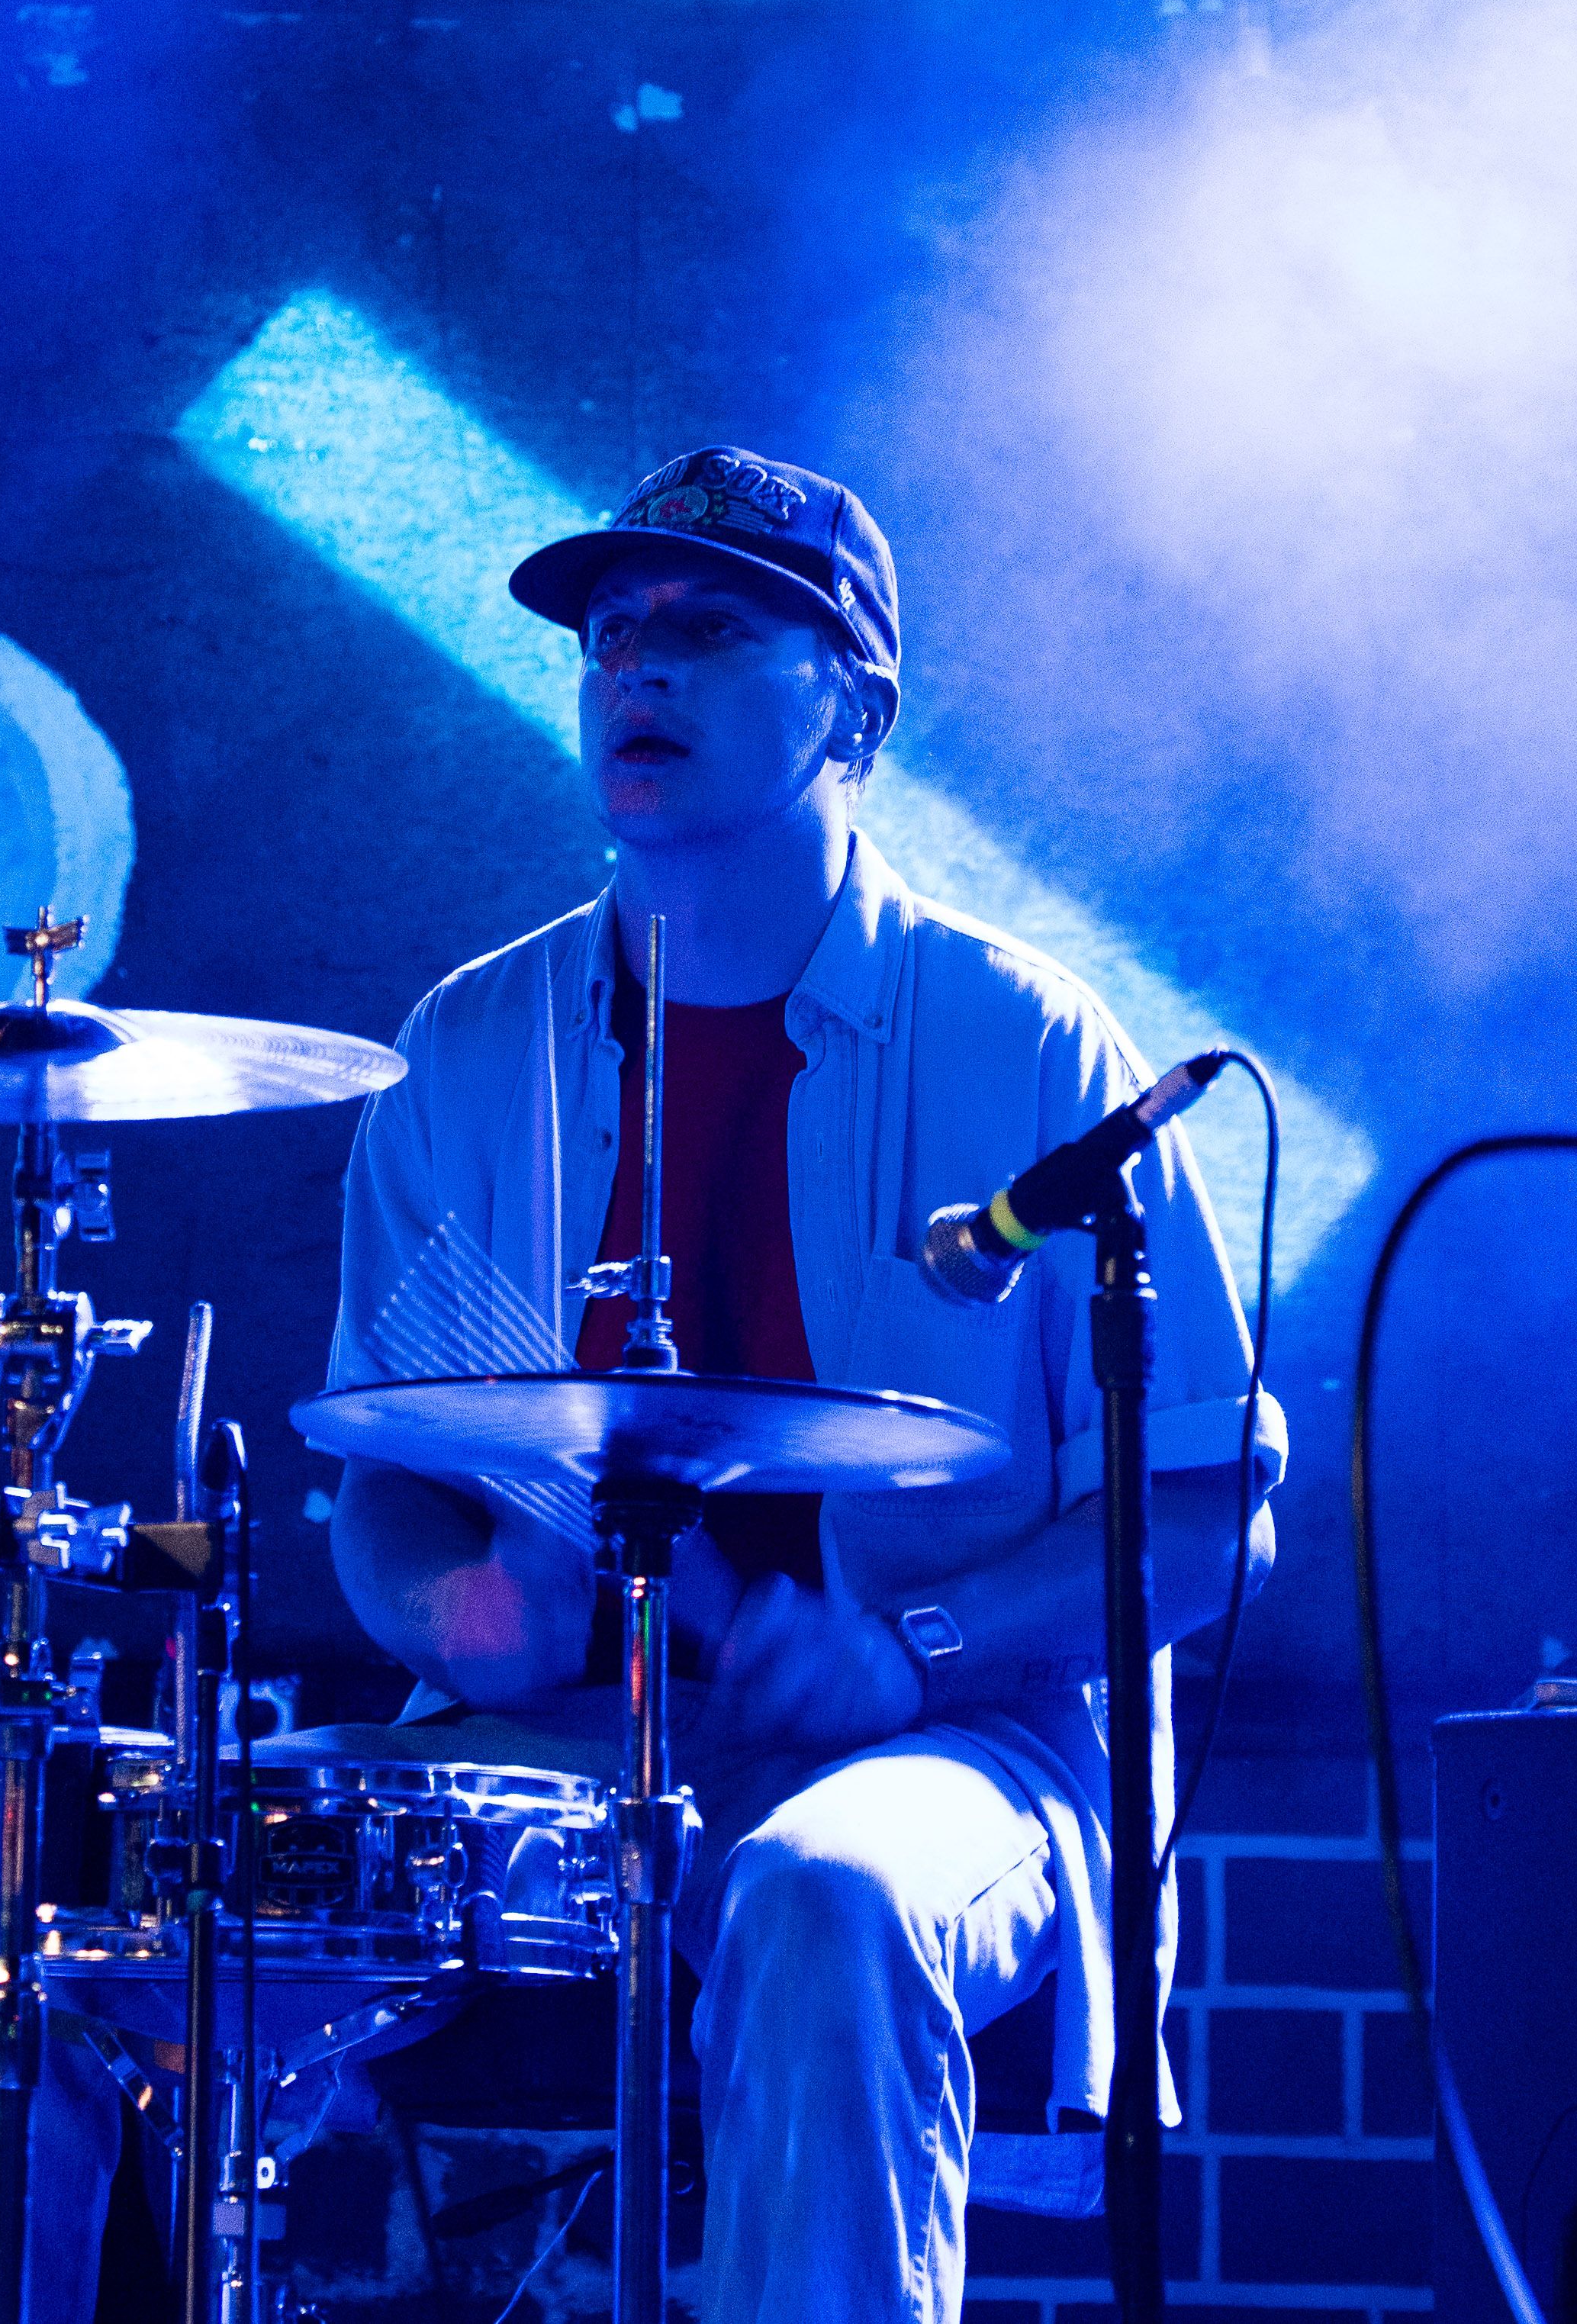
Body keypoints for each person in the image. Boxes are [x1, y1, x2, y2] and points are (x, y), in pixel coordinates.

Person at [324, 443, 1288, 2324]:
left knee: (827, 1890)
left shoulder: (1023, 1036)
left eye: (707, 626)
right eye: (612, 632)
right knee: (124, 1884)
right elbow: (390, 1471)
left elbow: (1194, 1517)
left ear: (853, 703)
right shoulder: (468, 1042)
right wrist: (453, 1607)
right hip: (559, 1739)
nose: (637, 664)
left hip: (961, 1743)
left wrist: (913, 1643)